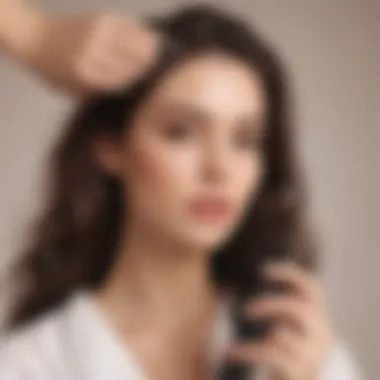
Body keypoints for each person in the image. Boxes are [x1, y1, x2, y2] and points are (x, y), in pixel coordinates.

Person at [0, 3, 362, 380]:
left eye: (245, 140)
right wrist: (34, 37)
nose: (219, 169)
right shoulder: (30, 365)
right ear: (111, 147)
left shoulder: (302, 354)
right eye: (181, 133)